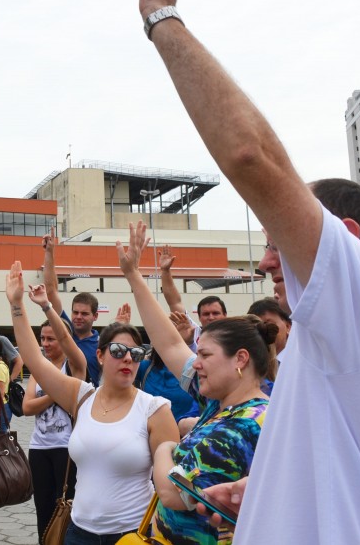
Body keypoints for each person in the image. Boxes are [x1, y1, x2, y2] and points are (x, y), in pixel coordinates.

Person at [138, 0, 360, 542]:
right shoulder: (355, 339)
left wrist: (159, 14)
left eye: (279, 244)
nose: (265, 263)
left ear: (349, 243)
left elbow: (253, 158)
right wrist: (271, 488)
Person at [118, 222, 273, 545]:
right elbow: (171, 345)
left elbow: (174, 494)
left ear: (240, 359)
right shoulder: (220, 403)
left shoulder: (244, 424)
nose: (195, 363)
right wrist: (133, 275)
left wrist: (165, 448)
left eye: (205, 354)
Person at [7, 261, 178, 544]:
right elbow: (35, 360)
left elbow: (168, 487)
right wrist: (16, 304)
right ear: (99, 356)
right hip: (78, 532)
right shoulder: (81, 396)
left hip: (131, 535)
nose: (127, 358)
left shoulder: (154, 409)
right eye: (119, 350)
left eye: (135, 353)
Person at [21, 305, 87, 544]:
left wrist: (47, 306)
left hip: (66, 448)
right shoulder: (40, 370)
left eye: (51, 338)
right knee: (43, 509)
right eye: (42, 339)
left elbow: (70, 343)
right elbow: (27, 408)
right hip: (39, 448)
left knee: (66, 507)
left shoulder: (73, 368)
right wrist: (56, 393)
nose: (46, 343)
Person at [41, 232, 104, 385]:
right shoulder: (64, 331)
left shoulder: (102, 345)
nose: (78, 317)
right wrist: (49, 253)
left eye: (84, 313)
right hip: (57, 405)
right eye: (75, 312)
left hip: (86, 405)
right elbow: (51, 291)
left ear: (95, 316)